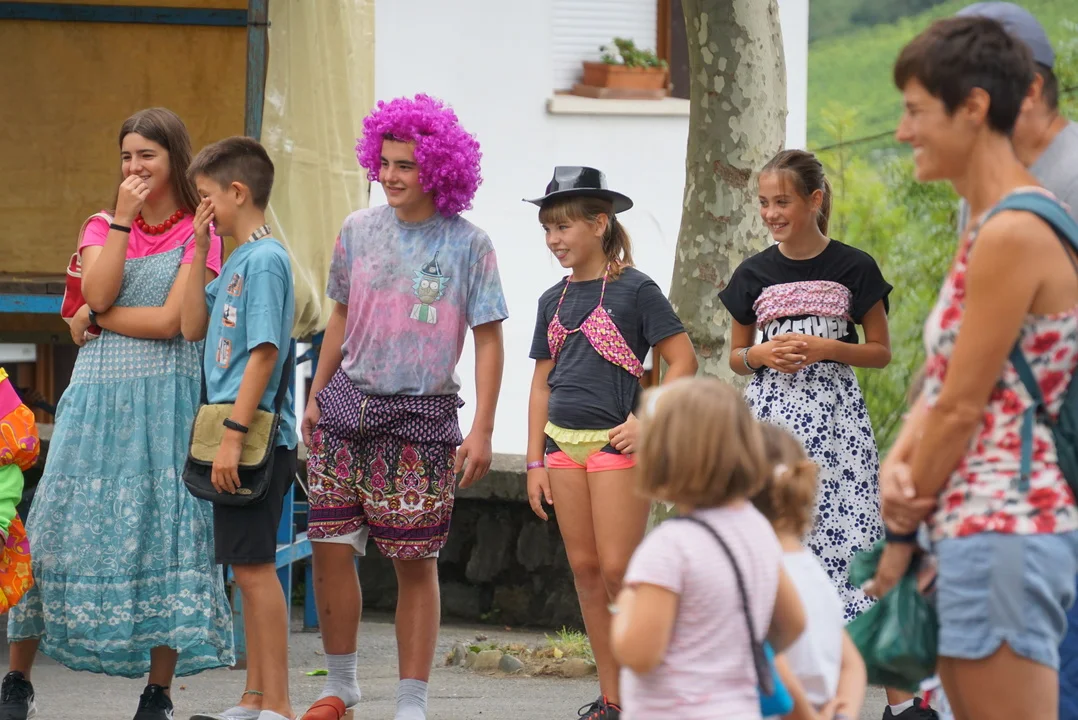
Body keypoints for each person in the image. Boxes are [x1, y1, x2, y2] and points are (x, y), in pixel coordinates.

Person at [869, 15, 1078, 720]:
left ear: (974, 107)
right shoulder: (987, 221)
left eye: (915, 110)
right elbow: (942, 379)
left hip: (1004, 529)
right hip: (972, 528)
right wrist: (899, 465)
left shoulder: (1015, 231)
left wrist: (901, 524)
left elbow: (962, 406)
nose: (903, 132)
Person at [0, 108, 232, 720]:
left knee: (164, 536)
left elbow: (172, 323)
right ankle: (17, 681)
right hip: (96, 401)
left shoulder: (200, 232)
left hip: (166, 404)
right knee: (53, 531)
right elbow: (97, 290)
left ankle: (158, 693)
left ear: (174, 158)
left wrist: (97, 320)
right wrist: (124, 221)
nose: (135, 167)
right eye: (127, 156)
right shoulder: (102, 225)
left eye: (147, 155)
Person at [300, 94, 507, 720]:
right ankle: (341, 686)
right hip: (344, 409)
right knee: (330, 548)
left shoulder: (470, 244)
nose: (389, 176)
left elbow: (489, 339)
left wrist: (482, 429)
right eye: (384, 162)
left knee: (415, 562)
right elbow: (339, 316)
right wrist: (316, 395)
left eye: (406, 166)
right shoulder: (356, 230)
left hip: (422, 419)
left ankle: (412, 701)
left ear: (438, 169)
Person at [523, 166, 698, 719]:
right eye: (547, 229)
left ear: (600, 224)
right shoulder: (550, 300)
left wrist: (649, 422)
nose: (553, 239)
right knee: (587, 572)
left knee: (622, 570)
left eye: (563, 227)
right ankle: (614, 699)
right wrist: (533, 462)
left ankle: (664, 689)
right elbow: (540, 385)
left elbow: (683, 361)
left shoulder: (635, 289)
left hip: (617, 448)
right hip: (560, 449)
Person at [718, 148, 893, 622]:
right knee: (771, 520)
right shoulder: (752, 273)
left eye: (783, 202)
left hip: (838, 422)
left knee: (847, 523)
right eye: (764, 203)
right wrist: (760, 356)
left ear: (814, 200)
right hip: (771, 421)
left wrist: (827, 349)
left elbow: (881, 351)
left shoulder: (855, 266)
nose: (771, 213)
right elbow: (736, 357)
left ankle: (866, 655)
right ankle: (774, 639)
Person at [181, 136, 297, 720]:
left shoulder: (267, 259)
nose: (202, 207)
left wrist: (232, 433)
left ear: (237, 192)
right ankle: (254, 698)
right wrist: (198, 247)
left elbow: (264, 353)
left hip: (252, 437)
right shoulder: (238, 259)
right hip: (234, 431)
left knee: (254, 569)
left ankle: (279, 704)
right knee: (245, 569)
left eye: (206, 196)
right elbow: (191, 326)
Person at [610, 377, 806, 720]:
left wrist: (625, 604)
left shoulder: (669, 547)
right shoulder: (758, 528)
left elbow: (639, 655)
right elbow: (793, 623)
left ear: (665, 457)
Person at [754, 423, 868, 720]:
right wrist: (842, 713)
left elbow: (771, 664)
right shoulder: (814, 570)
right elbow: (851, 664)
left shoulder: (757, 572)